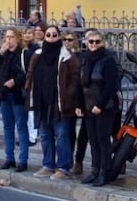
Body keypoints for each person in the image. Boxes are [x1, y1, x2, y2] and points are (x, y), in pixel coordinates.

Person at [26, 25, 79, 180]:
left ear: (59, 37)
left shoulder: (67, 56)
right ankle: (48, 165)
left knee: (61, 136)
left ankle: (63, 167)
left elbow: (74, 78)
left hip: (59, 103)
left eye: (54, 35)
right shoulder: (38, 55)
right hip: (41, 101)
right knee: (45, 135)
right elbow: (30, 74)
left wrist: (68, 96)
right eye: (48, 35)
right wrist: (29, 92)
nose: (50, 37)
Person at [75, 30, 119, 187]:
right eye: (91, 41)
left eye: (97, 41)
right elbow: (80, 84)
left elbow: (110, 86)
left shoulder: (108, 60)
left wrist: (100, 105)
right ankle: (94, 170)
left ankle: (104, 172)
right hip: (88, 106)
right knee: (92, 139)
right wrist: (79, 105)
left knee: (103, 139)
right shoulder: (84, 59)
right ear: (86, 42)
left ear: (102, 43)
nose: (94, 44)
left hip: (105, 107)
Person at [0, 27, 29, 172]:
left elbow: (28, 74)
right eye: (6, 37)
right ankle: (9, 158)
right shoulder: (2, 53)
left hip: (17, 94)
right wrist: (0, 52)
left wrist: (15, 80)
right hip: (3, 93)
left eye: (12, 37)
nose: (8, 40)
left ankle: (23, 160)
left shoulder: (23, 54)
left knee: (21, 126)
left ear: (18, 38)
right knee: (7, 127)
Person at [62, 30, 88, 176]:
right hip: (64, 98)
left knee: (82, 133)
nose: (67, 42)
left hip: (80, 97)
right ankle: (68, 159)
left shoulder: (80, 57)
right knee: (67, 131)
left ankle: (78, 161)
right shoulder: (59, 56)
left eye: (70, 39)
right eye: (64, 39)